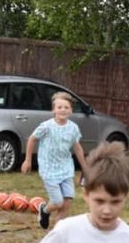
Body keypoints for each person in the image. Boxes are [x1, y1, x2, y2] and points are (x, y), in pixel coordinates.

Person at [21, 91, 88, 230]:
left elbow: (78, 148)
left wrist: (85, 168)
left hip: (66, 168)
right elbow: (32, 139)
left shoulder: (73, 128)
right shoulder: (46, 126)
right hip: (49, 169)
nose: (62, 110)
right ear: (53, 110)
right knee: (58, 202)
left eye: (66, 107)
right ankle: (44, 210)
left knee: (67, 201)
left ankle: (58, 233)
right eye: (59, 107)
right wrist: (27, 160)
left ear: (71, 110)